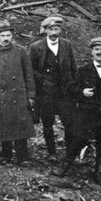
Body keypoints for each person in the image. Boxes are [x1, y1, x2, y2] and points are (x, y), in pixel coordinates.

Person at [56, 37, 101, 186]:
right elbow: (70, 89)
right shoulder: (83, 71)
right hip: (87, 113)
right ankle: (65, 166)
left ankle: (99, 172)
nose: (99, 52)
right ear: (92, 52)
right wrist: (82, 92)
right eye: (96, 49)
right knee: (78, 139)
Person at [0, 20, 36, 166]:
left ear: (12, 35)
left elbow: (29, 75)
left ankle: (23, 156)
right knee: (3, 125)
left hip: (18, 95)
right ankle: (6, 154)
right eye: (3, 35)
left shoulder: (21, 51)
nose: (6, 38)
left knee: (20, 125)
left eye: (8, 35)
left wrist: (31, 95)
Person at [28, 16, 78, 162]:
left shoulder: (67, 45)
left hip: (64, 92)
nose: (54, 32)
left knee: (69, 123)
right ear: (45, 31)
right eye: (51, 29)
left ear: (60, 30)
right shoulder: (36, 47)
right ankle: (52, 153)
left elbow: (73, 66)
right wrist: (42, 80)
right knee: (47, 123)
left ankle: (69, 153)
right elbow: (30, 69)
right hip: (46, 93)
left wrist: (75, 86)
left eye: (56, 29)